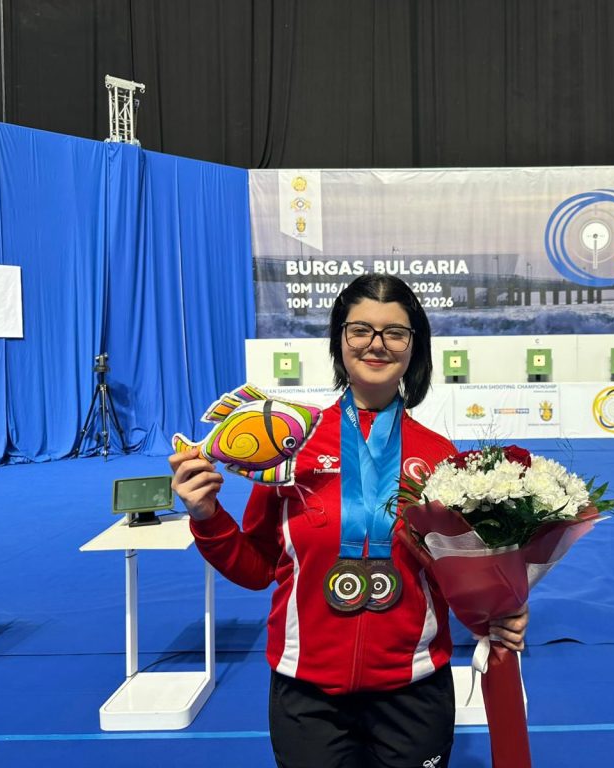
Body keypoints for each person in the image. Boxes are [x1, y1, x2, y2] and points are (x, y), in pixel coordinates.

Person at [169, 273, 528, 768]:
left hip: (414, 690)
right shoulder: (290, 447)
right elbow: (257, 569)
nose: (376, 344)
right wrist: (208, 516)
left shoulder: (439, 456)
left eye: (394, 332)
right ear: (340, 340)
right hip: (307, 693)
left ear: (414, 346)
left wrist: (501, 609)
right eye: (360, 329)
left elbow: (456, 576)